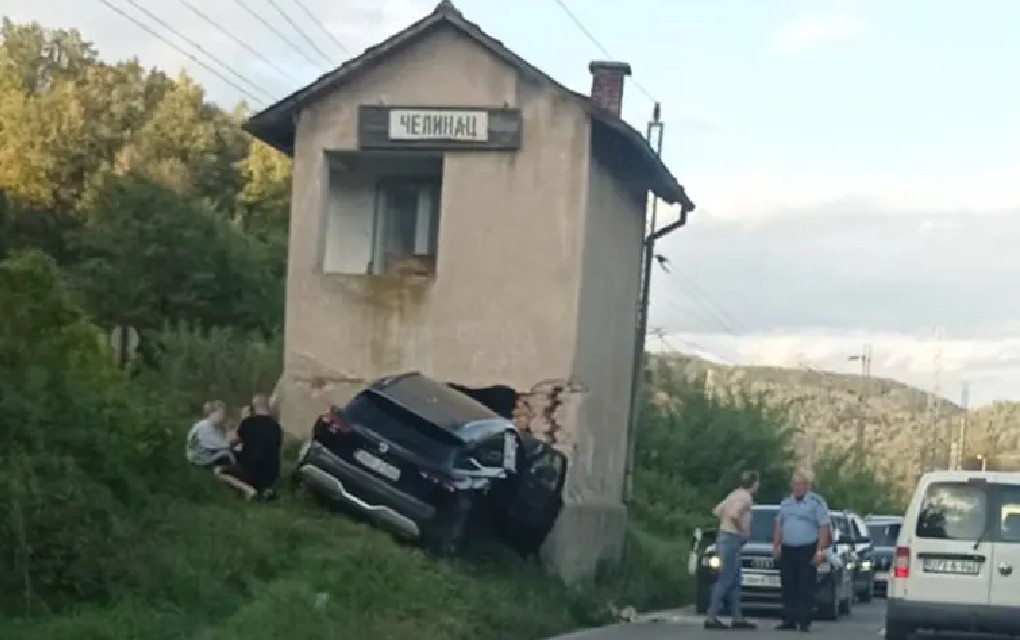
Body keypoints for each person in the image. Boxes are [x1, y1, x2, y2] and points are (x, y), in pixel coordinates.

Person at [773, 469, 831, 632]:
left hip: (807, 548)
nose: (797, 488)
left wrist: (820, 551)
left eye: (800, 484)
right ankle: (789, 619)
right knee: (788, 584)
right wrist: (776, 546)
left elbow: (823, 527)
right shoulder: (786, 503)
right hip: (788, 548)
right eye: (794, 484)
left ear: (807, 486)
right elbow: (779, 525)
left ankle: (804, 620)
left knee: (805, 585)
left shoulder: (816, 503)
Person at [705, 470, 760, 630]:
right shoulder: (745, 497)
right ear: (754, 483)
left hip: (724, 538)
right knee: (725, 579)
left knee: (735, 580)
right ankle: (711, 617)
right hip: (732, 539)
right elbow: (734, 515)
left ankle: (737, 617)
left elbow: (717, 511)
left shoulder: (734, 494)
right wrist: (742, 530)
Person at [215, 393, 282, 501]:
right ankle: (265, 490)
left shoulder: (248, 423)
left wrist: (242, 419)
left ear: (253, 407)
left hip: (250, 470)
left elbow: (230, 442)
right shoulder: (276, 426)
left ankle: (248, 490)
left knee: (219, 471)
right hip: (272, 474)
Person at [185, 400, 233, 468]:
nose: (222, 417)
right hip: (198, 456)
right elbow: (220, 445)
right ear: (211, 413)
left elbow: (223, 440)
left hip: (207, 452)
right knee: (226, 453)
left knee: (230, 452)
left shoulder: (215, 426)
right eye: (220, 414)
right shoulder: (204, 427)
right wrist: (231, 442)